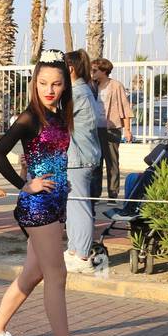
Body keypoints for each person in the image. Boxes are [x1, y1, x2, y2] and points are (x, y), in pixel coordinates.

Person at [0, 53, 103, 336]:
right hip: (37, 208)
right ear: (34, 83)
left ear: (65, 85)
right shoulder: (30, 117)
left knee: (33, 274)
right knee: (57, 275)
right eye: (43, 83)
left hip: (55, 203)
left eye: (56, 84)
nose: (49, 89)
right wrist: (24, 184)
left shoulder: (60, 116)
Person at [64, 49, 103, 274]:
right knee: (74, 205)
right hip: (78, 157)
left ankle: (83, 255)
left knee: (79, 206)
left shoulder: (77, 93)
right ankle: (74, 250)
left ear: (69, 69)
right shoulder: (83, 90)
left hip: (78, 158)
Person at [91, 58, 132, 201]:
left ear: (104, 71)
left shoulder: (116, 86)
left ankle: (112, 195)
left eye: (95, 70)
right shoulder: (91, 86)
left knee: (112, 162)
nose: (92, 73)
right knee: (96, 162)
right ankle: (94, 196)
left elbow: (125, 108)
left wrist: (127, 129)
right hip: (94, 129)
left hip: (112, 128)